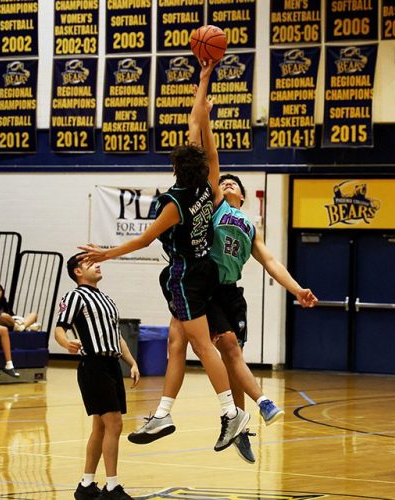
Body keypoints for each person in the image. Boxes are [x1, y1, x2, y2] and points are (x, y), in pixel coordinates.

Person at [79, 58, 250, 452]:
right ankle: (163, 413)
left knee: (201, 345)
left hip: (185, 275)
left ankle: (230, 413)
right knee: (176, 344)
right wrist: (204, 82)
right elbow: (199, 132)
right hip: (204, 268)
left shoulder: (174, 202)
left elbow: (142, 241)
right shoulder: (212, 183)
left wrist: (106, 253)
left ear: (175, 168)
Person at [127, 173, 318, 464]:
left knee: (232, 356)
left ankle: (237, 425)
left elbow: (270, 262)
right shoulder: (213, 207)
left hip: (230, 293)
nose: (228, 184)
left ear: (243, 196)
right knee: (218, 344)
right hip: (204, 286)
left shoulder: (250, 226)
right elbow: (208, 175)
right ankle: (259, 404)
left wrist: (296, 289)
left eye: (234, 184)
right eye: (223, 182)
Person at [54, 252, 140, 500]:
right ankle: (112, 487)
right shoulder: (74, 296)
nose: (98, 264)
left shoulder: (108, 300)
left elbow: (117, 335)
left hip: (112, 364)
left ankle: (86, 485)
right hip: (93, 366)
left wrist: (131, 362)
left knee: (101, 427)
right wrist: (65, 342)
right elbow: (59, 327)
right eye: (90, 263)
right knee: (114, 423)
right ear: (78, 272)